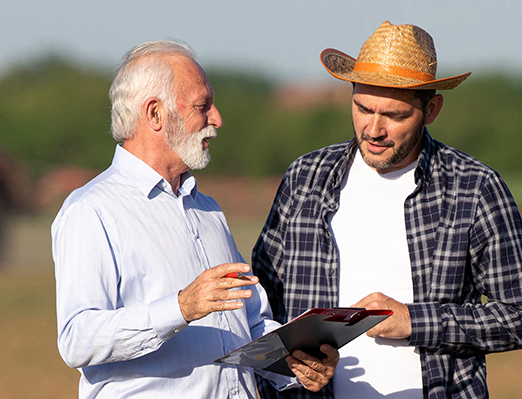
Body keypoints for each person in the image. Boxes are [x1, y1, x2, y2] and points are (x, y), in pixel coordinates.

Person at [251, 21, 522, 399]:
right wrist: (289, 366)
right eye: (362, 108)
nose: (373, 129)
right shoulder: (305, 179)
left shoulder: (475, 187)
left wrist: (413, 321)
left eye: (393, 115)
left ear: (432, 109)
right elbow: (259, 312)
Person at [52, 40, 338, 398]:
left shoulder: (207, 209)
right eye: (202, 107)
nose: (217, 119)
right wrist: (181, 307)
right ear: (154, 114)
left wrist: (293, 364)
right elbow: (78, 339)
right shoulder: (91, 210)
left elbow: (248, 323)